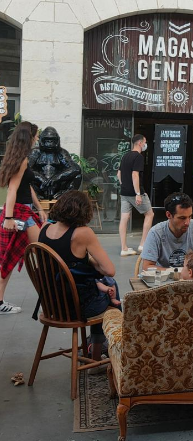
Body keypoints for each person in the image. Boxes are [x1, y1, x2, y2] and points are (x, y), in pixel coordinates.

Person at [38, 190, 118, 361]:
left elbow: (64, 265)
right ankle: (98, 355)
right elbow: (109, 269)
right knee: (111, 286)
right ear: (83, 211)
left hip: (52, 305)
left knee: (104, 285)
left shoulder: (45, 228)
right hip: (76, 308)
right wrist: (90, 260)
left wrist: (84, 260)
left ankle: (95, 346)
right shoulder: (82, 233)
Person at [0, 121, 46, 314]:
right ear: (28, 137)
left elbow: (25, 187)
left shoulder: (18, 158)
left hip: (22, 212)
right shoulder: (22, 161)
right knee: (43, 252)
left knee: (12, 258)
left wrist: (39, 207)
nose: (37, 139)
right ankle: (53, 296)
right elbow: (12, 189)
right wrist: (8, 218)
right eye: (35, 135)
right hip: (19, 214)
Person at [141, 192, 193, 270]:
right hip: (164, 280)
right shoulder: (155, 232)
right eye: (182, 218)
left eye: (190, 216)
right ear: (169, 215)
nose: (187, 222)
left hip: (192, 279)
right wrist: (179, 273)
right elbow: (147, 267)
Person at [117, 134, 154, 257]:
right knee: (149, 214)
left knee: (124, 218)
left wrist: (124, 185)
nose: (145, 145)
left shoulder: (125, 156)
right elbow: (135, 175)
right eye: (145, 142)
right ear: (140, 143)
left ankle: (124, 248)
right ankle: (143, 245)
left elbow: (119, 174)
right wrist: (138, 193)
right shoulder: (138, 157)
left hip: (124, 192)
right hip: (135, 192)